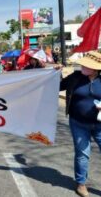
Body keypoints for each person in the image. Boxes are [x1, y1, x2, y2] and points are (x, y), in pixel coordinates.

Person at [58, 51, 101, 197]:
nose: (82, 66)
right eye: (83, 64)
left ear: (95, 69)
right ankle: (81, 184)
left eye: (87, 65)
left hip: (100, 125)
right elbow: (58, 86)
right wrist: (56, 73)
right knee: (82, 154)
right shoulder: (75, 77)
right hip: (78, 123)